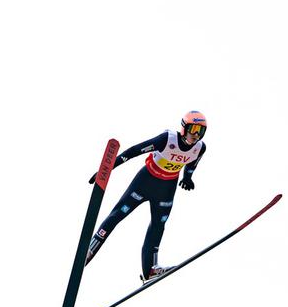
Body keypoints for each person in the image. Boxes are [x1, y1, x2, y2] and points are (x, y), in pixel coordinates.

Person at [85, 111, 208, 280]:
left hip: (166, 189)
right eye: (193, 129)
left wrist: (188, 178)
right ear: (184, 127)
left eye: (200, 131)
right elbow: (134, 151)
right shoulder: (167, 139)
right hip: (145, 182)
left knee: (158, 226)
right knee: (117, 215)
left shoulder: (200, 148)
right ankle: (89, 251)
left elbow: (192, 163)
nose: (196, 135)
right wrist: (107, 170)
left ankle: (150, 270)